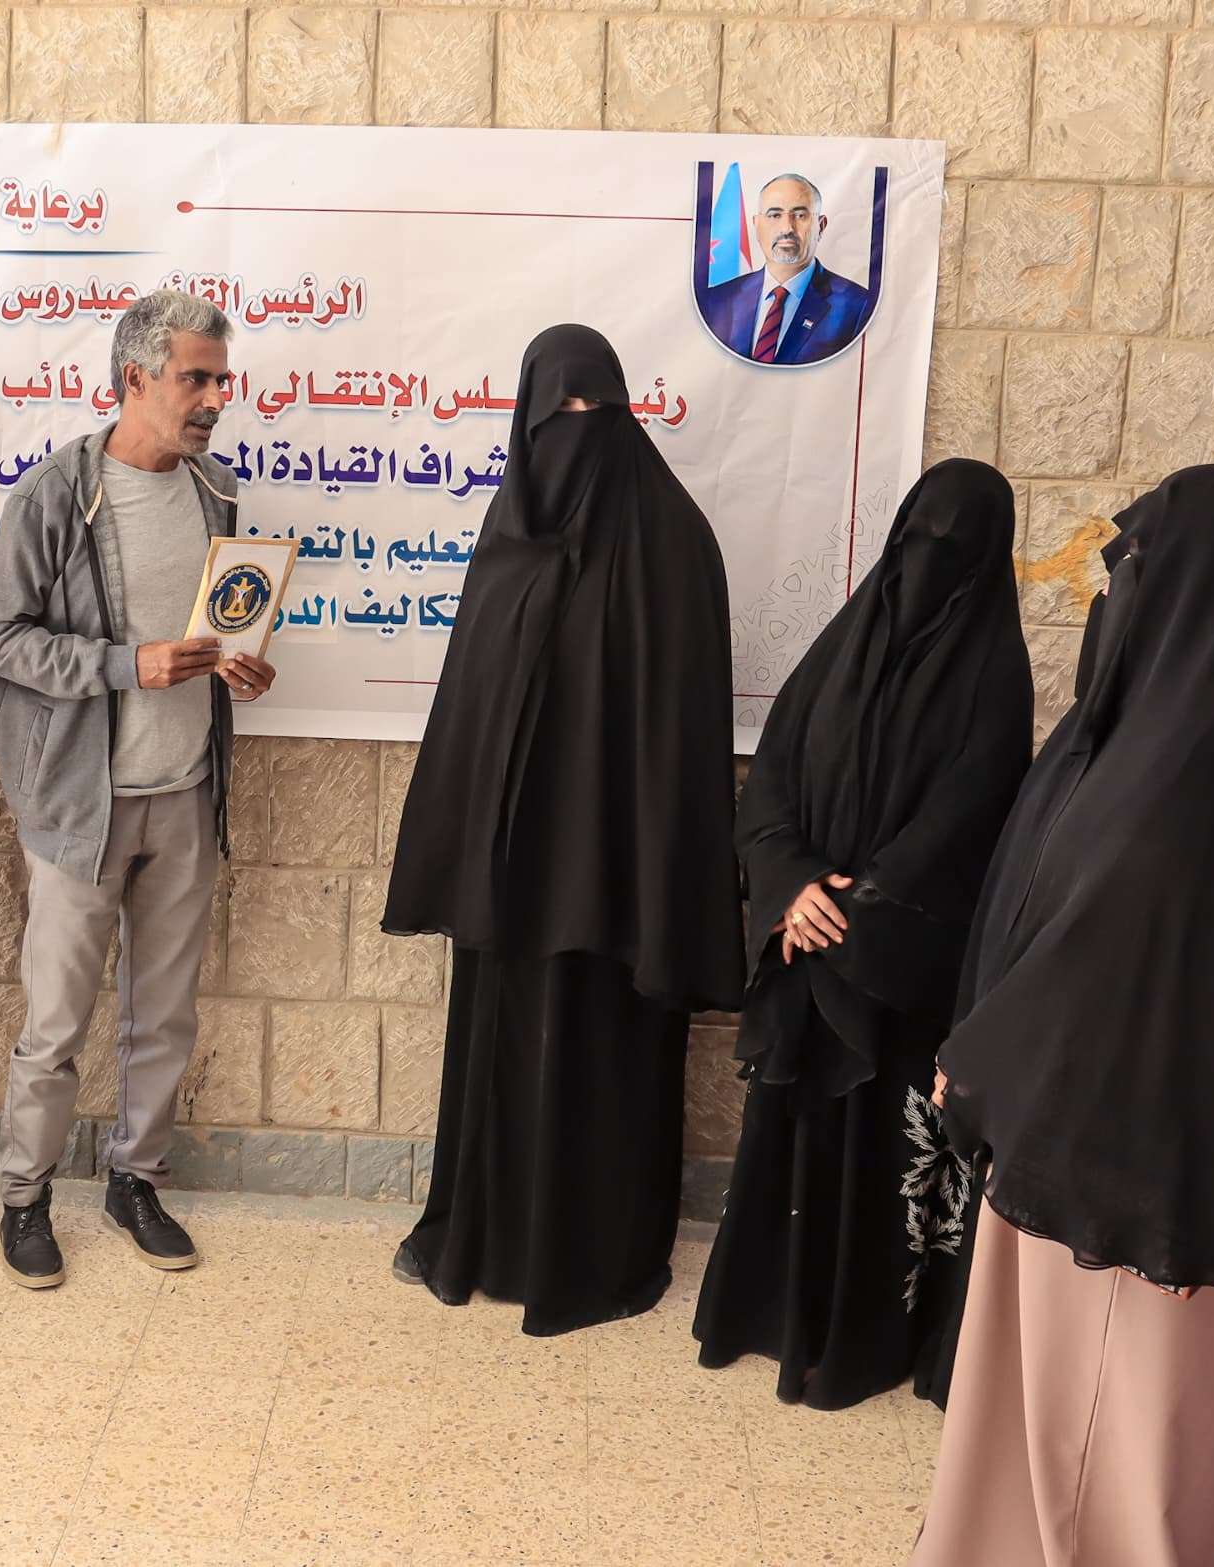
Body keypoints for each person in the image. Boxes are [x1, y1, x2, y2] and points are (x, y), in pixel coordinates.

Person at [913, 466, 1214, 1566]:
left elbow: (1105, 965)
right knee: (1068, 1431)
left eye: (1136, 569)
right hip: (1092, 1154)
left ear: (1211, 596)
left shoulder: (1191, 793)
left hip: (1127, 1184)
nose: (1111, 593)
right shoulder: (1158, 744)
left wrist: (980, 1063)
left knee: (1099, 1443)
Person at [383, 323, 743, 1336]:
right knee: (504, 1053)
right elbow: (470, 713)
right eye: (559, 412)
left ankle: (597, 1250)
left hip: (616, 881)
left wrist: (648, 868)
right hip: (512, 881)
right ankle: (486, 1233)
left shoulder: (674, 544)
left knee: (601, 1060)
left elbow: (683, 733)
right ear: (526, 423)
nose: (578, 429)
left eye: (597, 408)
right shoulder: (510, 539)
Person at [692, 460, 1031, 1408]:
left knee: (883, 1153)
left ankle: (861, 1338)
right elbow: (773, 779)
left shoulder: (995, 683)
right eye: (914, 542)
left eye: (949, 553)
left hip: (898, 970)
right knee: (794, 1139)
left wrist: (852, 913)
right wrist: (791, 885)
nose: (925, 566)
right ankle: (769, 1314)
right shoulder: (843, 648)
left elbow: (964, 827)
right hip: (808, 945)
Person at [0, 289, 273, 1289]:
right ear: (135, 378)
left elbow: (220, 626)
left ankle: (135, 1181)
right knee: (55, 1024)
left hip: (185, 794)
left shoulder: (217, 491)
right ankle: (24, 1197)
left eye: (221, 379)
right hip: (79, 808)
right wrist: (121, 666)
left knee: (164, 1015)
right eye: (197, 379)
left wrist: (239, 668)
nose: (215, 399)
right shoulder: (56, 495)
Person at [699, 173, 874, 366]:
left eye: (800, 215)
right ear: (756, 225)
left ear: (821, 226)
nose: (787, 228)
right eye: (774, 215)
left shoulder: (859, 306)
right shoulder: (717, 299)